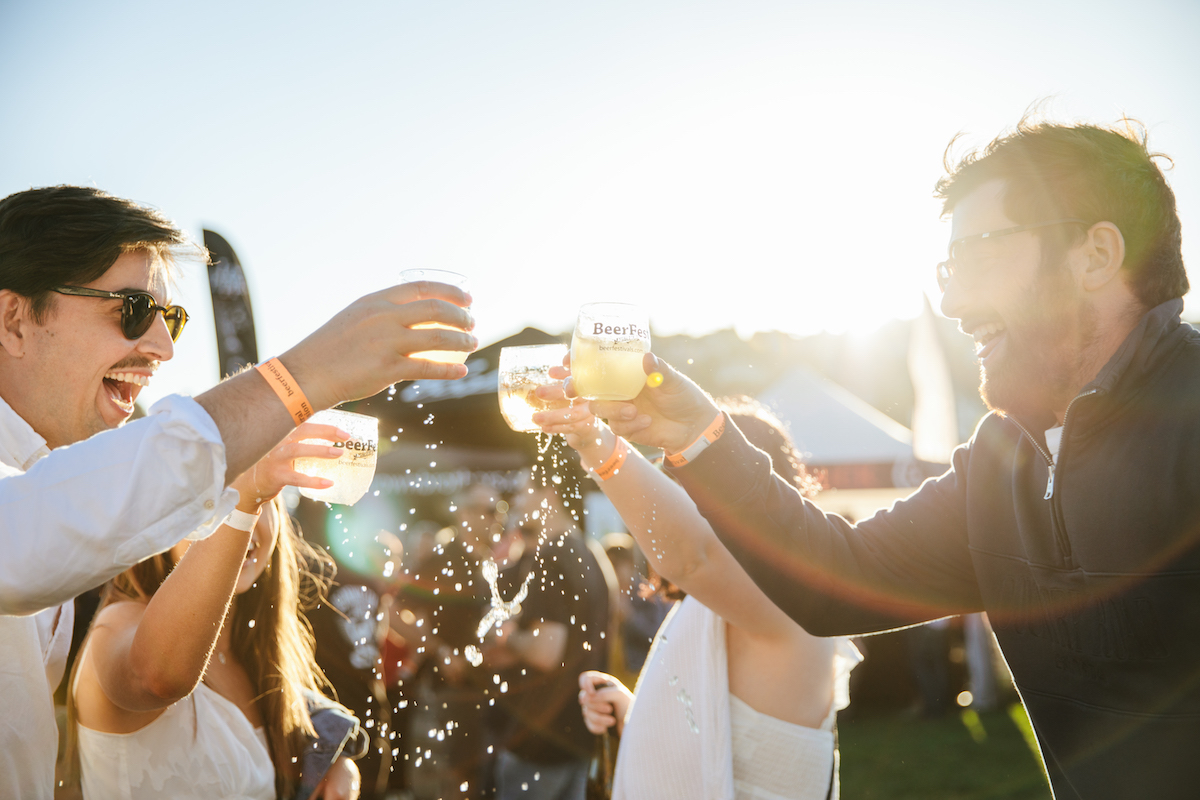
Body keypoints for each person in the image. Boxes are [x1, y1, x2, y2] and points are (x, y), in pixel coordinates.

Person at [577, 119, 1198, 799]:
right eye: (948, 271)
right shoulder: (999, 464)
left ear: (1095, 255)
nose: (956, 302)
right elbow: (831, 579)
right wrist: (697, 434)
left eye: (979, 258)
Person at [0, 185, 476, 798]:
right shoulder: (36, 512)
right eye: (134, 309)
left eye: (171, 319)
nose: (164, 349)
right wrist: (303, 375)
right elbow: (29, 536)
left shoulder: (39, 473)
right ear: (15, 319)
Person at [537, 397, 860, 799]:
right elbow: (719, 741)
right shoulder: (721, 603)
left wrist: (590, 437)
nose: (676, 497)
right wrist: (632, 716)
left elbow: (693, 556)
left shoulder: (789, 597)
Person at [69, 426, 361, 798]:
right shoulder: (119, 622)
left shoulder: (250, 651)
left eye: (262, 497)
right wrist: (244, 501)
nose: (246, 514)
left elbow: (307, 716)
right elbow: (157, 679)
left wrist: (336, 760)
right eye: (212, 495)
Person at [484, 476, 613, 800]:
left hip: (541, 740)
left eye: (526, 489)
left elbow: (545, 651)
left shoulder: (551, 555)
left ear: (549, 494)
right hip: (580, 732)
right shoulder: (589, 551)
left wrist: (507, 634)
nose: (516, 500)